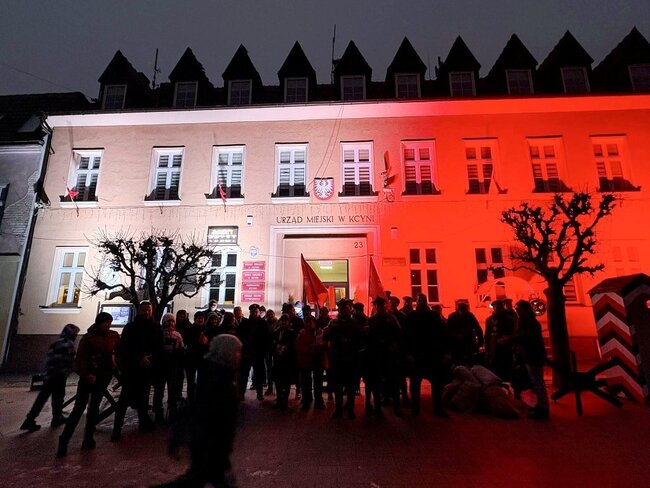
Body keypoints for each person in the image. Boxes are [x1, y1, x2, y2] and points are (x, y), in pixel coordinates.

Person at [154, 335, 243, 488]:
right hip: (210, 444)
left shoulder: (218, 371)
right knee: (195, 479)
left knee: (197, 478)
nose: (239, 356)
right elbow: (208, 410)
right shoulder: (219, 376)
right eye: (237, 352)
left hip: (210, 444)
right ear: (227, 352)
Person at [56, 313, 119, 457]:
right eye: (106, 323)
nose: (108, 325)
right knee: (79, 409)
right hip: (89, 378)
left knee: (94, 408)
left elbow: (118, 351)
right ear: (99, 323)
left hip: (103, 377)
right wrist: (86, 373)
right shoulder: (88, 338)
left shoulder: (113, 336)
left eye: (110, 322)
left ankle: (88, 438)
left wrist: (115, 362)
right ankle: (64, 440)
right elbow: (81, 359)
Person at [111, 301, 162, 441]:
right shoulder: (130, 327)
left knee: (144, 398)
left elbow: (158, 347)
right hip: (131, 369)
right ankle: (117, 429)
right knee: (124, 399)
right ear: (139, 311)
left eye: (148, 310)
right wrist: (138, 358)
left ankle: (143, 423)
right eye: (144, 309)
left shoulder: (156, 327)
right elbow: (125, 347)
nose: (146, 312)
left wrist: (150, 360)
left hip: (147, 369)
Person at [21, 324, 80, 432]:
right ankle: (55, 418)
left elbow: (49, 358)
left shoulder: (56, 343)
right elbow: (71, 361)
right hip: (59, 375)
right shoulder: (69, 345)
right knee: (58, 397)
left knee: (43, 397)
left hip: (50, 374)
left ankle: (31, 419)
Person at [404, 293, 450, 417]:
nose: (421, 303)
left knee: (436, 383)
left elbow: (442, 334)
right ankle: (416, 409)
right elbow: (406, 336)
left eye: (423, 300)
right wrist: (408, 353)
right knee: (415, 384)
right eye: (419, 300)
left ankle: (437, 408)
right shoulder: (412, 316)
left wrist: (444, 352)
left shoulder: (433, 316)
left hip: (431, 354)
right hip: (417, 354)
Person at [364, 296, 403, 417]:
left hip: (389, 353)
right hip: (377, 354)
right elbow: (368, 338)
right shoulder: (371, 320)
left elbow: (399, 334)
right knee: (376, 383)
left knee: (394, 381)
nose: (379, 307)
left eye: (381, 305)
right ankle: (378, 407)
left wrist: (395, 344)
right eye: (377, 305)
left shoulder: (391, 318)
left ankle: (396, 407)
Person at [324, 298, 363, 419]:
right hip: (338, 359)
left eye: (346, 308)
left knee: (351, 387)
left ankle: (350, 409)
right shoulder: (333, 323)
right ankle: (338, 409)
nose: (344, 311)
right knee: (338, 386)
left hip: (351, 359)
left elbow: (361, 341)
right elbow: (326, 338)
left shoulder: (355, 324)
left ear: (349, 309)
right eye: (341, 309)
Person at [512, 300, 549, 420]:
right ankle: (540, 405)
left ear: (524, 310)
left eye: (518, 309)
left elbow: (525, 337)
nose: (517, 312)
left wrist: (509, 339)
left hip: (533, 355)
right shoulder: (529, 321)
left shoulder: (528, 322)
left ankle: (543, 408)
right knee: (536, 381)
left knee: (537, 382)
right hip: (532, 354)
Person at [153, 313, 185, 423]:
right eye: (168, 321)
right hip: (161, 366)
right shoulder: (159, 334)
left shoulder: (177, 335)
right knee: (159, 390)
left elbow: (181, 350)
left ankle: (172, 411)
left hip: (172, 366)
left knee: (173, 390)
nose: (170, 323)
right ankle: (158, 413)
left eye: (172, 321)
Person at [484, 299, 516, 380]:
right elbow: (487, 334)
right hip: (493, 347)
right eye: (495, 307)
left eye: (498, 307)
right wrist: (487, 347)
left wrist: (507, 339)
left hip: (505, 347)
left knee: (506, 368)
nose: (496, 309)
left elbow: (513, 332)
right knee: (494, 368)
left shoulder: (508, 319)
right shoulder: (489, 320)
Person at [272, 314, 297, 410]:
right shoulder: (276, 332)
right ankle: (279, 400)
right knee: (278, 382)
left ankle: (285, 401)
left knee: (286, 382)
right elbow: (272, 344)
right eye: (282, 320)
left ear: (288, 322)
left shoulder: (292, 333)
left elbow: (293, 347)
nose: (284, 322)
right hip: (278, 360)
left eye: (285, 321)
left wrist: (285, 348)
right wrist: (276, 349)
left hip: (287, 361)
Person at [447, 301, 484, 366]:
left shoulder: (468, 316)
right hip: (460, 343)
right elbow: (448, 330)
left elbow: (478, 329)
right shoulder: (468, 316)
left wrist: (480, 342)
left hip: (466, 342)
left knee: (465, 361)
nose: (463, 312)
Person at [182, 311, 208, 401]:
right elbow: (186, 342)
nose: (200, 320)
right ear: (195, 319)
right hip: (191, 358)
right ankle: (191, 398)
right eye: (198, 318)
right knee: (191, 380)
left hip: (203, 359)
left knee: (202, 380)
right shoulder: (189, 329)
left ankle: (200, 397)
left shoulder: (206, 329)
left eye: (202, 318)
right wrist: (198, 341)